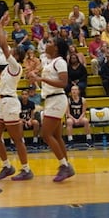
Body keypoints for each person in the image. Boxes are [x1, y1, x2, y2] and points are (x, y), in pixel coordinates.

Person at [0, 14, 34, 181]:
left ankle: (26, 169)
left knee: (17, 139)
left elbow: (2, 44)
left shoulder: (16, 66)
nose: (11, 49)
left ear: (17, 55)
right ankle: (7, 166)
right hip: (2, 102)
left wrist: (0, 26)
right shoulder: (10, 66)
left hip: (10, 102)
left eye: (14, 50)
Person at [31, 37, 74, 182]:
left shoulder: (60, 62)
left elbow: (63, 83)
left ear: (56, 48)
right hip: (50, 99)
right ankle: (66, 166)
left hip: (57, 98)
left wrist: (41, 79)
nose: (47, 44)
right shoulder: (51, 62)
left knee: (46, 134)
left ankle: (64, 165)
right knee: (56, 136)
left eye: (50, 42)